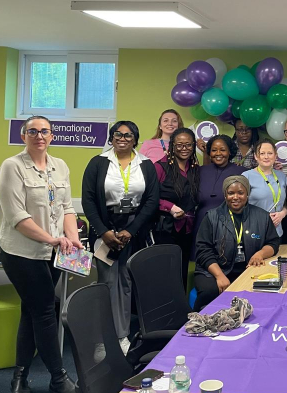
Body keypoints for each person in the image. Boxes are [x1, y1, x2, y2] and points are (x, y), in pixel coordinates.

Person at [0, 116, 80, 393]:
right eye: (33, 131)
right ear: (24, 135)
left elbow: (67, 206)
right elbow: (17, 217)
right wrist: (53, 239)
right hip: (21, 252)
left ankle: (19, 376)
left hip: (51, 253)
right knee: (45, 311)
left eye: (44, 131)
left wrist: (73, 237)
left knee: (31, 312)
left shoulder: (60, 166)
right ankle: (58, 379)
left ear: (52, 135)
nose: (39, 135)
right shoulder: (12, 167)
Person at [82, 120, 160, 354]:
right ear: (111, 137)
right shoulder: (98, 163)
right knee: (106, 283)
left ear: (135, 139)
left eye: (128, 135)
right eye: (118, 134)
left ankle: (122, 336)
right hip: (104, 229)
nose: (122, 138)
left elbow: (151, 201)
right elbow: (88, 200)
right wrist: (103, 232)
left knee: (125, 283)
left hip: (132, 231)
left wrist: (131, 230)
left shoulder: (146, 165)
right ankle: (102, 339)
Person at [193, 176, 281, 310]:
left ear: (247, 194)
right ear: (225, 195)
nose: (236, 197)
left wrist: (260, 254)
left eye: (240, 193)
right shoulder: (211, 216)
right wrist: (219, 276)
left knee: (264, 294)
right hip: (213, 270)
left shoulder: (262, 216)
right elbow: (203, 251)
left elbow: (273, 242)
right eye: (231, 193)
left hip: (248, 269)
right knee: (210, 292)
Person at [154, 127, 200, 283]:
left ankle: (180, 307)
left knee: (182, 271)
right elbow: (149, 197)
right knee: (164, 273)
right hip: (164, 229)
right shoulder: (160, 166)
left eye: (188, 145)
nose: (184, 149)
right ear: (172, 146)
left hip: (187, 230)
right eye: (179, 145)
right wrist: (170, 207)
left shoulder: (194, 168)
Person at [194, 134, 245, 242]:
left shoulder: (241, 172)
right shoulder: (200, 171)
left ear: (230, 151)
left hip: (229, 225)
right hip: (202, 224)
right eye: (214, 150)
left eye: (222, 150)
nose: (218, 153)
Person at [243, 139, 287, 237]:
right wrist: (263, 218)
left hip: (277, 232)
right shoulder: (246, 177)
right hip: (255, 231)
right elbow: (240, 206)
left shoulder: (282, 177)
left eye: (270, 153)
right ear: (256, 156)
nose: (266, 157)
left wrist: (282, 214)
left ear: (275, 155)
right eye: (262, 153)